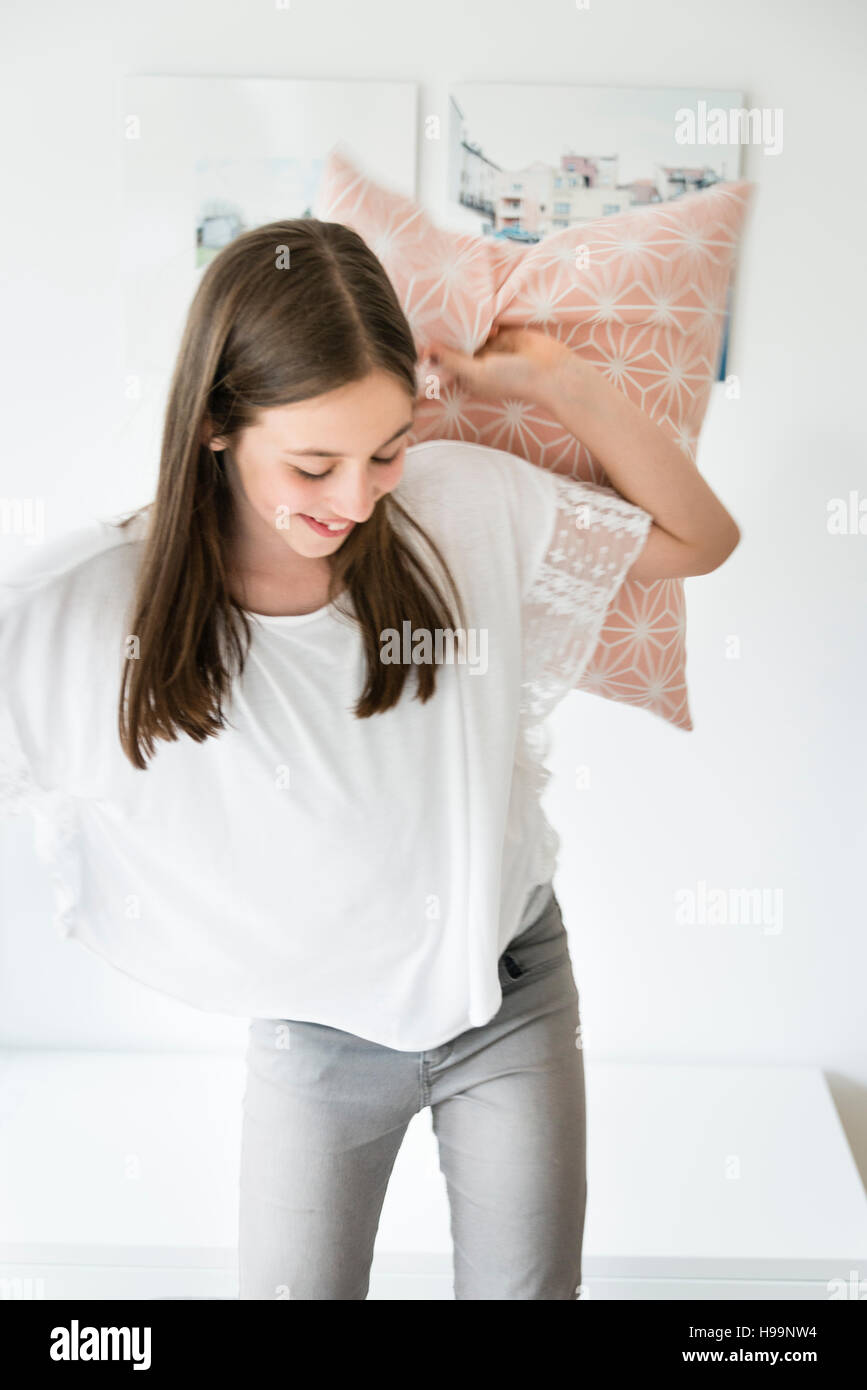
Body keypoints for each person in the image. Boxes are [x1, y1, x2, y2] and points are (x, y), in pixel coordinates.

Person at [0, 218, 740, 1300]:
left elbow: (701, 541)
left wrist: (556, 384)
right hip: (319, 1031)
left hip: (512, 994)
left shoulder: (457, 505)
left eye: (385, 448)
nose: (355, 498)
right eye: (313, 464)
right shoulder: (104, 599)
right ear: (213, 424)